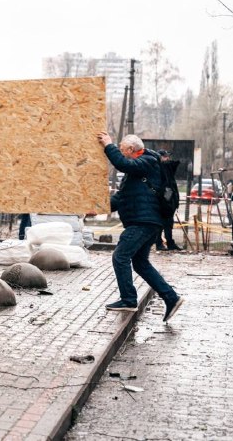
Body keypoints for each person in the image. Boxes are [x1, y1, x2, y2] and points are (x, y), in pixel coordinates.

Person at [97, 131, 184, 322]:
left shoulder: (148, 161)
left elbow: (122, 163)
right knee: (140, 263)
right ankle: (171, 298)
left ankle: (128, 299)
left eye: (121, 150)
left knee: (120, 256)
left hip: (143, 222)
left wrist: (108, 145)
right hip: (144, 222)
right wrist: (98, 208)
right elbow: (121, 198)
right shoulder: (135, 171)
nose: (121, 153)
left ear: (130, 149)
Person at [155, 150, 182, 251]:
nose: (168, 159)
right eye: (165, 157)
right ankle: (159, 243)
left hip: (168, 201)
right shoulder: (159, 168)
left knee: (168, 223)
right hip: (163, 201)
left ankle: (169, 243)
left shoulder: (167, 169)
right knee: (161, 224)